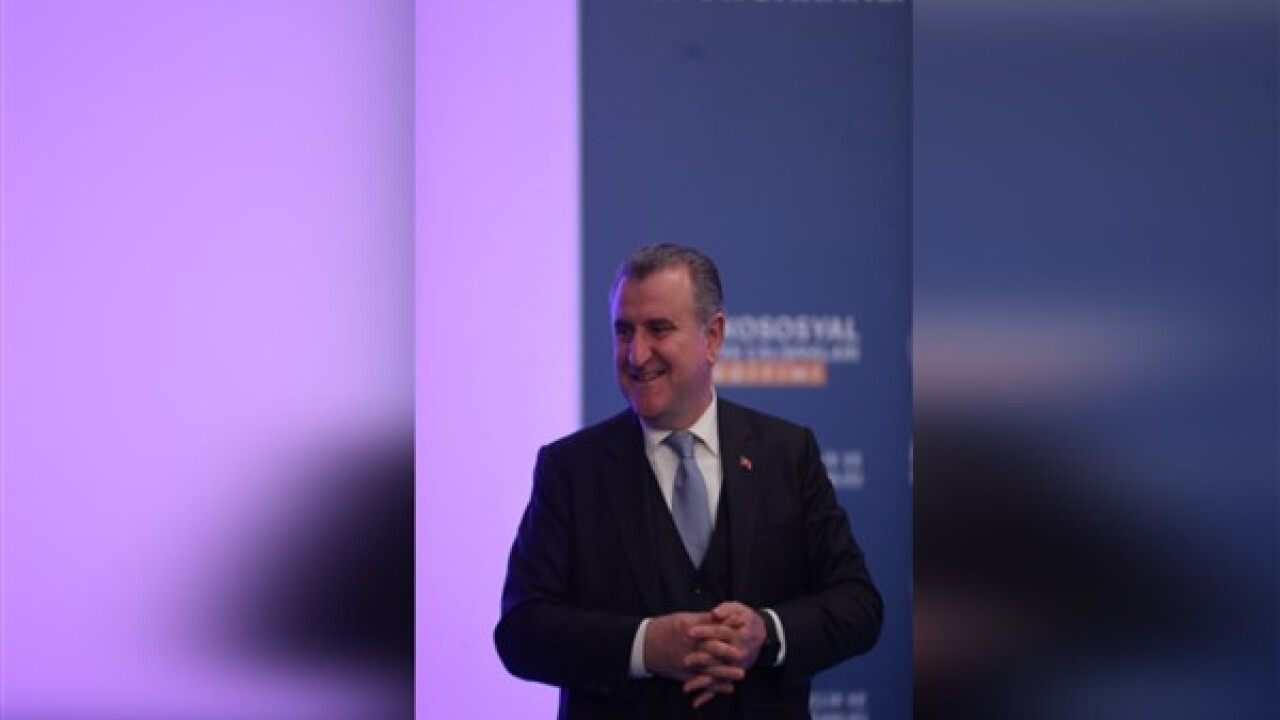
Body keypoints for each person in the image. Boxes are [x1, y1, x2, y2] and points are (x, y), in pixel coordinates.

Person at [495, 244, 882, 719]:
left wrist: (766, 632)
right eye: (623, 331)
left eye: (658, 329)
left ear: (712, 336)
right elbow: (521, 631)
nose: (636, 354)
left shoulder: (787, 453)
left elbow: (858, 605)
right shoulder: (570, 469)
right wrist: (645, 645)